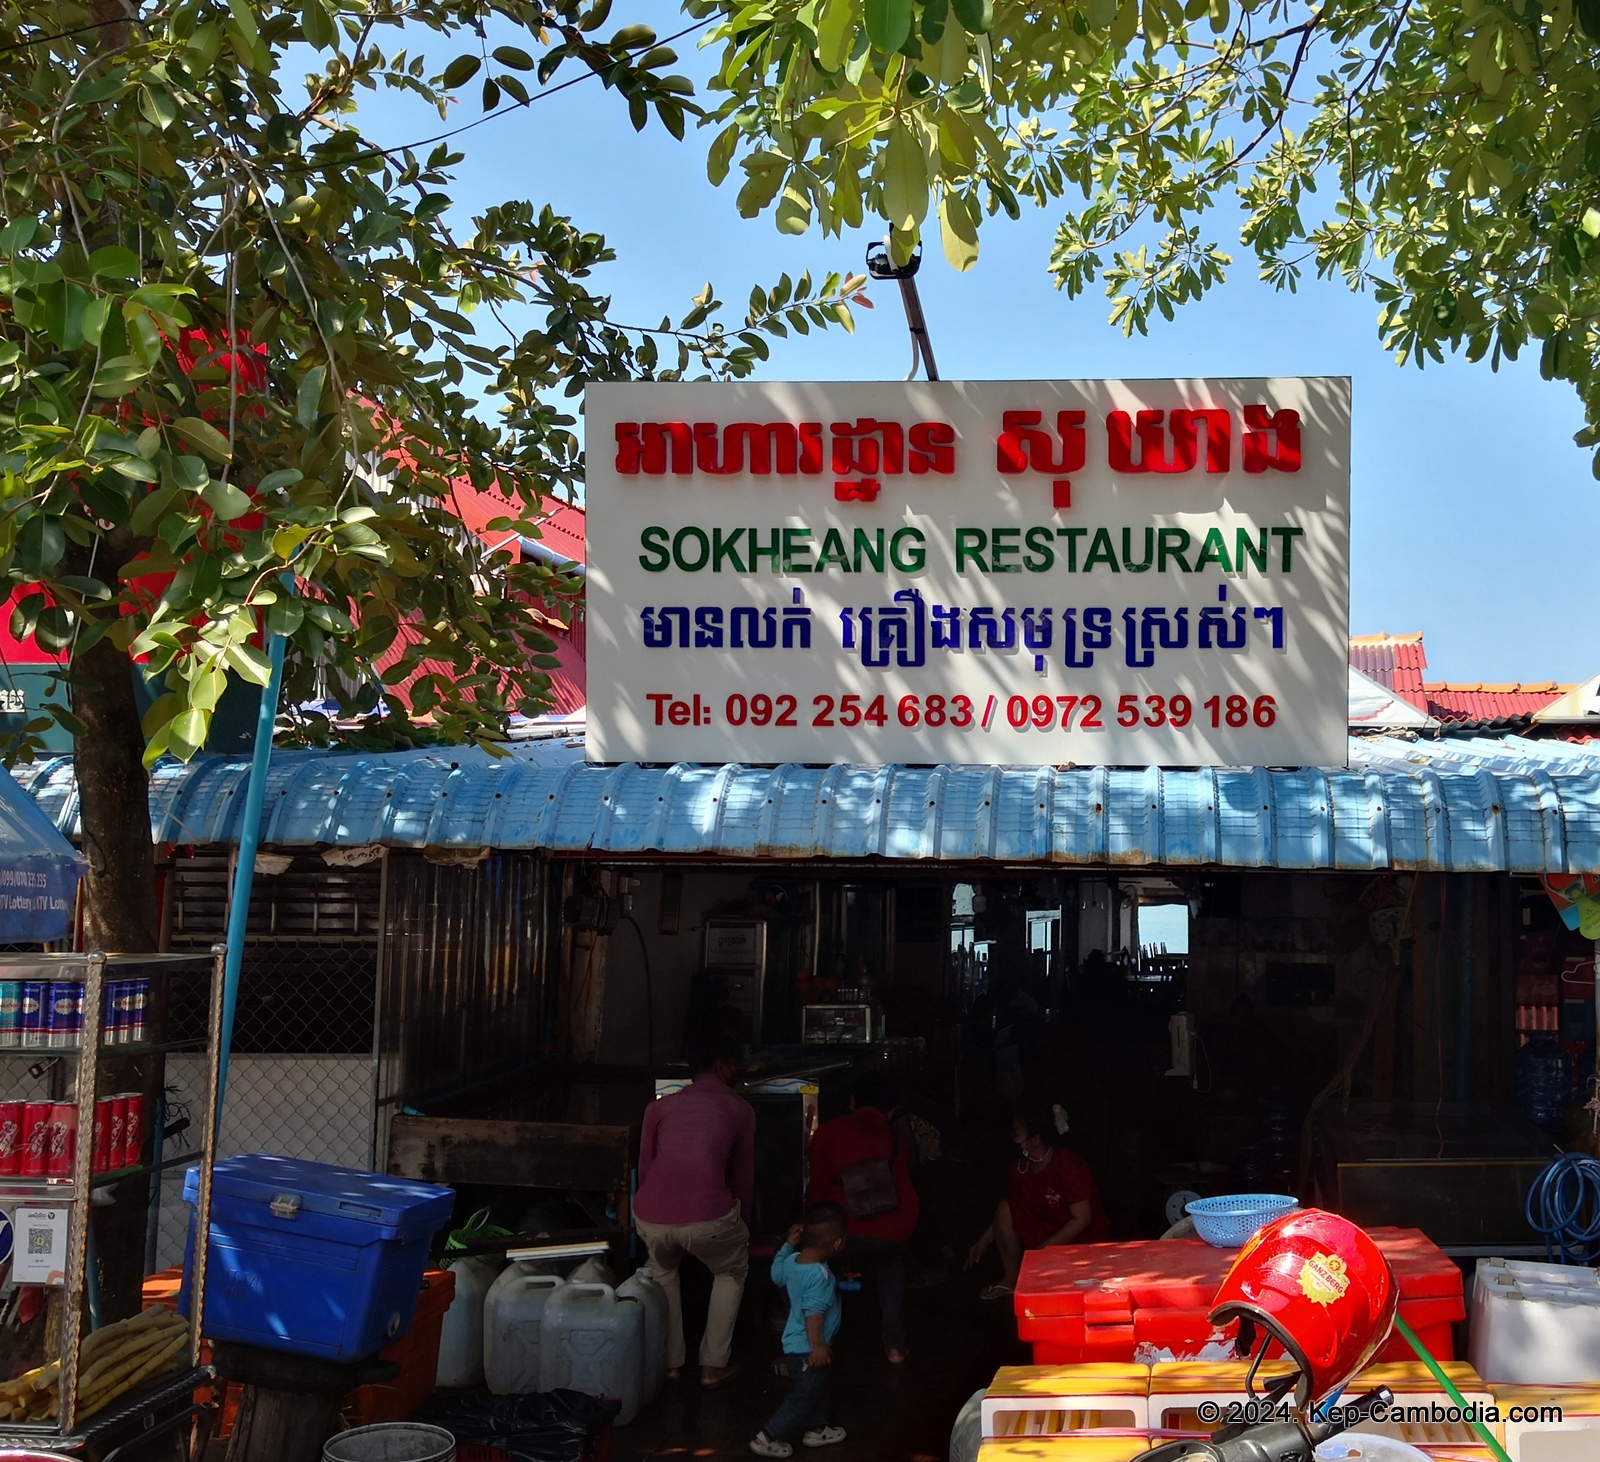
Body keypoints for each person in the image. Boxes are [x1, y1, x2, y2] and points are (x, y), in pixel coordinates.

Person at [635, 1028, 756, 1388]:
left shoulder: (659, 1107)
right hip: (710, 1218)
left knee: (663, 1272)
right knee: (731, 1271)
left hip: (651, 1217)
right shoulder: (741, 1109)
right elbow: (743, 1178)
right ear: (722, 1066)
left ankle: (671, 1364)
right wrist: (743, 1228)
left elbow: (645, 1169)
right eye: (734, 1065)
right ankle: (713, 1365)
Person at [806, 1072, 919, 1363]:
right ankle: (894, 1347)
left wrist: (811, 1230)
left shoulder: (829, 1132)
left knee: (803, 1263)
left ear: (853, 1101)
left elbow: (817, 1188)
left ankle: (813, 1343)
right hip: (896, 1225)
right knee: (890, 1266)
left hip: (844, 1228)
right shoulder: (896, 1137)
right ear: (892, 1110)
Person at [964, 1100, 1111, 1301]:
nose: (1012, 1137)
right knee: (1006, 1207)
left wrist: (1042, 1252)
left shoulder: (1068, 1163)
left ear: (1035, 1139)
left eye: (1017, 1133)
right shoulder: (1019, 1166)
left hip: (1080, 1238)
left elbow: (1082, 1219)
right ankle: (1011, 1280)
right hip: (1046, 1234)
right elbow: (1009, 1210)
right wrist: (984, 1240)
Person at [748, 1204, 849, 1459]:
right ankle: (767, 1437)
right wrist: (818, 1345)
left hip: (795, 1345)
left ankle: (818, 1429)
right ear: (837, 1243)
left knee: (817, 1387)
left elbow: (775, 1275)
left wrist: (786, 1246)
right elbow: (813, 1313)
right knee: (804, 1396)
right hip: (807, 1347)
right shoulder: (821, 1276)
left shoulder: (793, 1261)